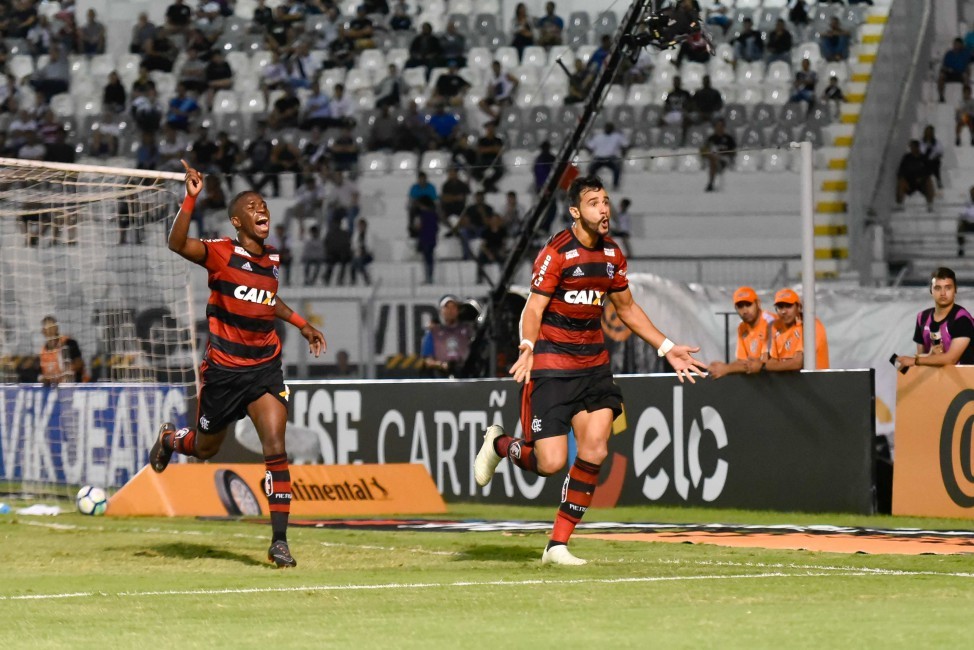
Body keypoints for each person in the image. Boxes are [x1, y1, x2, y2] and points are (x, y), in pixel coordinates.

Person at [472, 175, 706, 565]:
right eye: (594, 203)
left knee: (596, 448)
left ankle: (557, 545)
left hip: (594, 367)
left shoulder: (612, 254)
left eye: (606, 201)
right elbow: (533, 308)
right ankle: (499, 444)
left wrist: (667, 347)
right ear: (575, 212)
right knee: (549, 462)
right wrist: (527, 346)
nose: (604, 209)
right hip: (552, 367)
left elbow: (626, 308)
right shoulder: (556, 253)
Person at [150, 160, 326, 568]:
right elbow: (177, 244)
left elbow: (266, 299)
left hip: (264, 368)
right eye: (251, 206)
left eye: (263, 204)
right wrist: (190, 199)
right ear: (236, 221)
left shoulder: (272, 259)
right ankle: (171, 440)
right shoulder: (220, 253)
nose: (261, 208)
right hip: (224, 371)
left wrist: (302, 324)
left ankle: (279, 542)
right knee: (205, 447)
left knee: (276, 447)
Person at [896, 267, 974, 368]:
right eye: (937, 288)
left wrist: (915, 360)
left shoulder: (962, 319)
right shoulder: (922, 318)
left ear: (955, 290)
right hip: (936, 377)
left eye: (948, 288)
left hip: (965, 377)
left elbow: (951, 359)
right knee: (897, 363)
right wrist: (929, 356)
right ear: (931, 290)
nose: (943, 293)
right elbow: (921, 360)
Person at [707, 286, 775, 379]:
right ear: (736, 308)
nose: (745, 311)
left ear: (758, 303)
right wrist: (720, 368)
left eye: (748, 304)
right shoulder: (742, 328)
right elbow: (742, 361)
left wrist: (726, 369)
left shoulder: (771, 322)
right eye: (740, 306)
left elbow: (762, 363)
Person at [766, 288, 830, 371]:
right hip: (790, 379)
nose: (784, 311)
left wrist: (777, 365)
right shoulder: (776, 327)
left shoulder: (811, 325)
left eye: (788, 306)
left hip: (815, 378)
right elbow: (770, 364)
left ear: (799, 307)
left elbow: (797, 363)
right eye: (780, 307)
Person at [420, 295, 475, 377]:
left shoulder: (468, 331)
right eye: (447, 307)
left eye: (453, 307)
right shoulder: (434, 332)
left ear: (458, 310)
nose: (450, 310)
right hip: (441, 377)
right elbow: (427, 360)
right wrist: (441, 365)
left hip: (466, 376)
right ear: (441, 311)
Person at [39, 316, 87, 385]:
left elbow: (79, 364)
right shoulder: (43, 352)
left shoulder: (68, 343)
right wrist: (46, 379)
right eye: (47, 328)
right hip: (53, 388)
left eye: (52, 327)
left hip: (74, 385)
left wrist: (62, 372)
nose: (50, 330)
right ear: (43, 331)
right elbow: (43, 375)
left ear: (57, 328)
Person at [895, 139, 935, 212]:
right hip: (909, 182)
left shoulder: (924, 158)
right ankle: (899, 204)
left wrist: (922, 177)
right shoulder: (907, 157)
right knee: (901, 182)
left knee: (929, 182)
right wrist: (903, 179)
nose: (911, 149)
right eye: (911, 147)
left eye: (913, 147)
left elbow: (929, 171)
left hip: (921, 182)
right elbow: (901, 170)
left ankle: (930, 204)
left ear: (917, 147)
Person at [585, 123, 628, 191]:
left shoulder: (617, 136)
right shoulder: (599, 136)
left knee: (617, 168)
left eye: (610, 128)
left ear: (612, 129)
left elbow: (625, 145)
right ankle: (592, 184)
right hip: (599, 158)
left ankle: (615, 185)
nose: (608, 129)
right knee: (591, 169)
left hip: (611, 158)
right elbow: (589, 146)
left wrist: (623, 153)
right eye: (607, 127)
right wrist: (590, 153)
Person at [701, 118, 736, 192]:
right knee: (712, 158)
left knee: (714, 158)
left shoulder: (729, 138)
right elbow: (705, 150)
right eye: (717, 126)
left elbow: (733, 151)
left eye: (721, 126)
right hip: (713, 159)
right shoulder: (711, 138)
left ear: (724, 127)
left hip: (725, 159)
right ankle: (711, 183)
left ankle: (711, 183)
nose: (719, 128)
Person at [937, 38, 970, 103]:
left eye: (958, 44)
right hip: (949, 73)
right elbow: (943, 67)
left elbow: (967, 65)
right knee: (941, 76)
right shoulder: (948, 54)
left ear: (961, 45)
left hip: (960, 74)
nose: (956, 46)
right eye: (955, 44)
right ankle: (941, 96)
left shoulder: (965, 54)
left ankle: (965, 98)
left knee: (966, 76)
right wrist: (947, 69)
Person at [920, 124, 944, 190]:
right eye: (927, 132)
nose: (929, 134)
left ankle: (938, 180)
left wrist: (934, 156)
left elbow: (940, 151)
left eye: (930, 132)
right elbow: (921, 151)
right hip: (924, 160)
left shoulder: (937, 142)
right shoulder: (921, 142)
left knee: (935, 164)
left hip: (933, 161)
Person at [958, 186, 974, 257]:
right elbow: (962, 214)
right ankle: (961, 248)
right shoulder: (967, 203)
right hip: (968, 223)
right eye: (972, 193)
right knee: (960, 227)